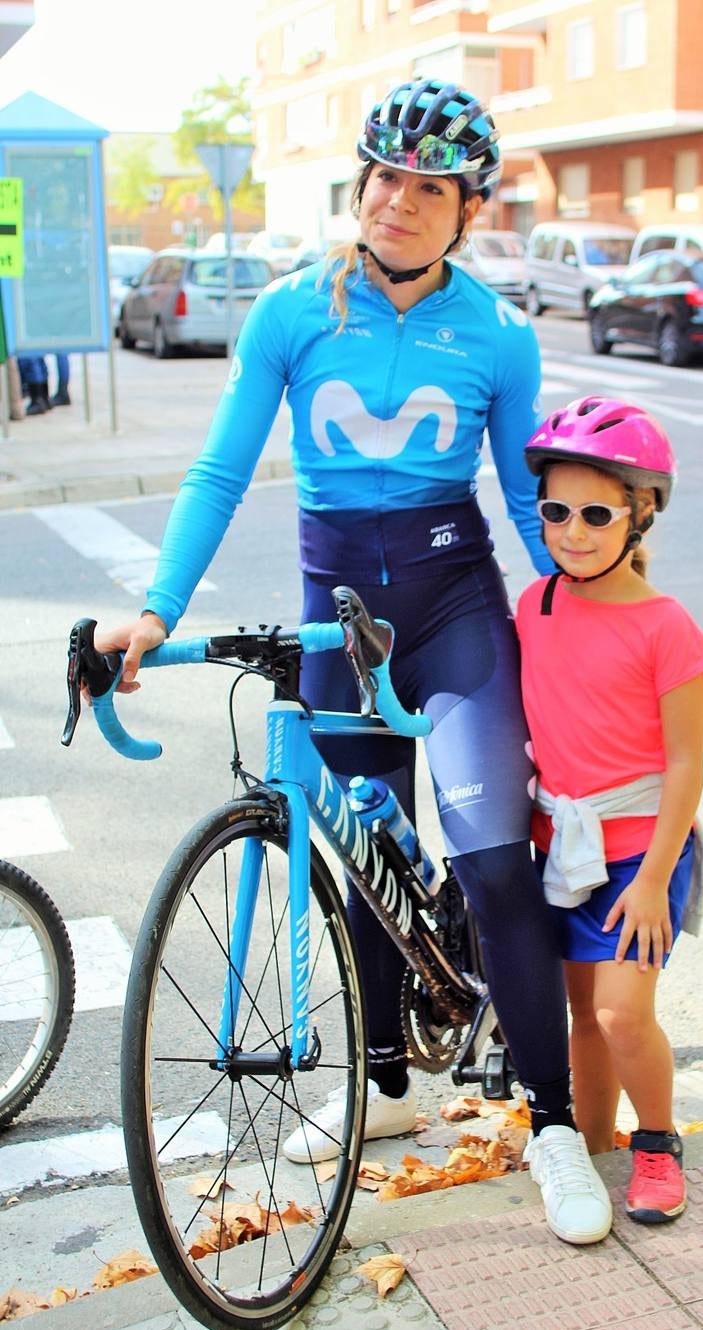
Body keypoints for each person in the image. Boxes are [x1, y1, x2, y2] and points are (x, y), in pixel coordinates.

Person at [92, 78, 612, 1246]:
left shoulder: (495, 331)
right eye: (385, 178)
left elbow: (530, 508)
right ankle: (381, 1087)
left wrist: (585, 610)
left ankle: (554, 1123)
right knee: (354, 854)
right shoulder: (290, 313)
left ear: (465, 208)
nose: (401, 202)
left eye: (431, 188)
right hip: (338, 612)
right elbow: (220, 473)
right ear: (360, 186)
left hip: (455, 610)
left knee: (487, 864)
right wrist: (156, 607)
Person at [516, 396, 703, 1225]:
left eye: (596, 514)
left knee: (621, 1011)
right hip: (562, 849)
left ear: (639, 517)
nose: (572, 531)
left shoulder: (665, 627)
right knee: (583, 1019)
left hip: (644, 854)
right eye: (556, 511)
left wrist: (655, 881)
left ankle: (658, 1143)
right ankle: (594, 1151)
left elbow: (685, 765)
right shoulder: (535, 605)